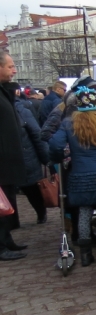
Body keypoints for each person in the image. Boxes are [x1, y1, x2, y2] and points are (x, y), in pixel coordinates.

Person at [49, 86, 96, 267]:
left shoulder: (69, 124)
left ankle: (86, 255)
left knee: (84, 212)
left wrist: (60, 158)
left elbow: (55, 145)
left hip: (80, 174)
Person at [0, 53, 28, 261]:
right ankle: (1, 246)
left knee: (7, 203)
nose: (14, 70)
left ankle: (6, 239)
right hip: (2, 160)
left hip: (8, 160)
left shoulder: (4, 91)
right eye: (10, 66)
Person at [9, 83, 49, 225]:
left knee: (32, 189)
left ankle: (41, 212)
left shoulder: (22, 111)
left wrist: (46, 158)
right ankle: (13, 221)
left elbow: (37, 134)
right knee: (9, 192)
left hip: (27, 157)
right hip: (12, 158)